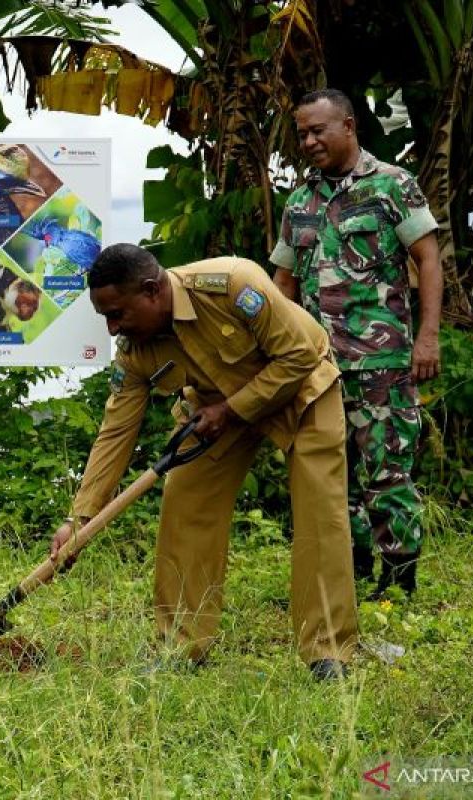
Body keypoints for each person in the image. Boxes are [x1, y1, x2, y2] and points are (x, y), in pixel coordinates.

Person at [49, 244, 359, 680]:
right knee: (185, 505)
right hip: (214, 411)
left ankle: (328, 652)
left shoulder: (233, 284)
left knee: (320, 514)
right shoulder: (136, 352)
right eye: (105, 318)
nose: (113, 328)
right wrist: (79, 519)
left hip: (301, 390)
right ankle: (180, 647)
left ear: (153, 291)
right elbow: (115, 433)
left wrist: (232, 409)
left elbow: (300, 355)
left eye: (117, 314)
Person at [269, 88, 442, 598]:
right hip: (317, 368)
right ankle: (349, 574)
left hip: (381, 363)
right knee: (328, 478)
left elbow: (429, 260)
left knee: (387, 473)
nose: (309, 141)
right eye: (301, 132)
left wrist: (426, 338)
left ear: (348, 126)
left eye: (318, 130)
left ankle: (398, 582)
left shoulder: (393, 186)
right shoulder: (300, 200)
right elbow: (282, 284)